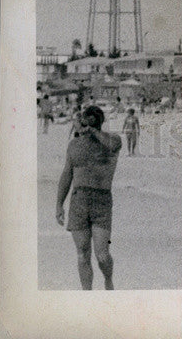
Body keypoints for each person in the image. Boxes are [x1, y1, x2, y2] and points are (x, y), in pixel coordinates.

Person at [55, 105, 122, 290]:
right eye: (86, 119)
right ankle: (87, 295)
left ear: (99, 122)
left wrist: (92, 131)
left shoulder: (111, 140)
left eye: (91, 120)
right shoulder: (74, 145)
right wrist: (59, 204)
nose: (85, 123)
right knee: (83, 254)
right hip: (79, 200)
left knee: (102, 255)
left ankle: (108, 280)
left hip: (101, 200)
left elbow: (113, 145)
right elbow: (67, 174)